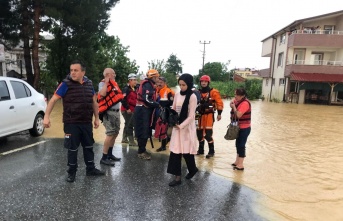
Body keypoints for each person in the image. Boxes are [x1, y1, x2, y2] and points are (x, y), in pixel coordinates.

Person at [43, 60, 105, 182]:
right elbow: (53, 100)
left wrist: (97, 118)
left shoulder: (89, 84)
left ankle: (91, 169)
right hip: (71, 123)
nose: (73, 73)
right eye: (71, 70)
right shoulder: (65, 84)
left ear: (83, 72)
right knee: (72, 149)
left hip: (86, 122)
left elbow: (94, 102)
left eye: (76, 70)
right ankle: (71, 172)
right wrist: (46, 116)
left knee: (88, 146)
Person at [167, 73, 198, 187]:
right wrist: (170, 117)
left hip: (186, 128)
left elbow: (191, 116)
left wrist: (182, 125)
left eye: (183, 85)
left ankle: (193, 169)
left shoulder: (192, 97)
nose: (181, 87)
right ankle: (177, 177)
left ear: (189, 84)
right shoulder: (177, 95)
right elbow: (174, 108)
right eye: (180, 85)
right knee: (175, 151)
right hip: (177, 126)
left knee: (186, 152)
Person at [98, 68, 123, 166]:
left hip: (116, 113)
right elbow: (102, 94)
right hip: (109, 113)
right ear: (108, 74)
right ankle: (104, 158)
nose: (115, 75)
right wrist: (106, 82)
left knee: (115, 133)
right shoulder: (103, 83)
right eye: (113, 74)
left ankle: (109, 154)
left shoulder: (114, 84)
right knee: (110, 134)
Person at [134, 69, 160, 160]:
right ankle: (141, 151)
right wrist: (157, 105)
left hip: (144, 109)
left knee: (146, 129)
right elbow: (147, 99)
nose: (158, 78)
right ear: (153, 77)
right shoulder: (147, 85)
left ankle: (142, 149)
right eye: (157, 77)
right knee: (143, 130)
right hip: (142, 109)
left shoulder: (150, 85)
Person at [196, 75, 224, 158]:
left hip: (209, 115)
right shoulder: (198, 92)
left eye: (205, 81)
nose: (203, 83)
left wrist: (219, 114)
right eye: (202, 81)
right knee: (199, 134)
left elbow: (219, 103)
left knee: (208, 134)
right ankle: (201, 150)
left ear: (208, 82)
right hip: (199, 114)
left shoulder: (214, 92)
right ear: (200, 82)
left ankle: (211, 151)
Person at [229, 88, 251, 171]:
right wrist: (233, 103)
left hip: (244, 128)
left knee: (241, 145)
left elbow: (238, 115)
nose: (235, 97)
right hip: (238, 127)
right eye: (235, 94)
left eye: (237, 95)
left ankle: (241, 165)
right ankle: (237, 161)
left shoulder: (245, 103)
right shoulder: (237, 100)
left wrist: (234, 107)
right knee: (237, 144)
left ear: (243, 96)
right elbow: (231, 102)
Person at [154, 76, 175, 152]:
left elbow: (172, 103)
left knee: (167, 131)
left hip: (167, 112)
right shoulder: (156, 90)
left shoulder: (168, 91)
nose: (159, 84)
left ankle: (167, 145)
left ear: (165, 83)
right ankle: (163, 146)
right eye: (158, 82)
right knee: (161, 129)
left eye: (161, 82)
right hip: (159, 112)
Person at [120, 73, 138, 146]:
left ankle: (124, 139)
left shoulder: (134, 88)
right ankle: (131, 141)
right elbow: (122, 99)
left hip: (132, 109)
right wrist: (127, 108)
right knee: (130, 124)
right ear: (130, 80)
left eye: (136, 80)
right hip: (126, 109)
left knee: (128, 123)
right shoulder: (126, 89)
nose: (135, 82)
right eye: (134, 80)